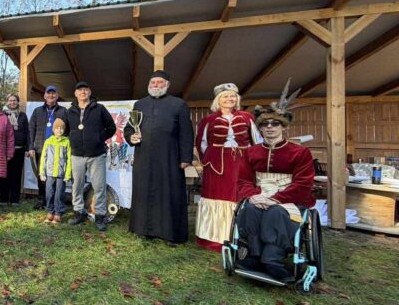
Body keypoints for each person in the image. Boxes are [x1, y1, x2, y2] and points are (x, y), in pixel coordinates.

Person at [235, 82, 315, 281]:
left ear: (283, 127)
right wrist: (253, 196)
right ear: (260, 128)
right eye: (265, 124)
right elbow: (243, 179)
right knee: (250, 209)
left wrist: (276, 199)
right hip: (259, 194)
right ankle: (254, 255)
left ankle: (272, 259)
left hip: (288, 198)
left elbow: (303, 183)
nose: (269, 127)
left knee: (275, 212)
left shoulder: (300, 152)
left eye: (275, 124)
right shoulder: (251, 152)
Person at [124, 70, 194, 246]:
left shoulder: (178, 104)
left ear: (167, 85)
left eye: (160, 82)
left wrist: (185, 157)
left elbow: (186, 132)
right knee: (144, 191)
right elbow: (129, 128)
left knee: (169, 193)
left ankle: (171, 234)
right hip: (144, 157)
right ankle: (144, 229)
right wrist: (131, 137)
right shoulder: (140, 104)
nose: (156, 85)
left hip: (169, 157)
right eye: (153, 82)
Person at [194, 83, 261, 251]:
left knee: (240, 195)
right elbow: (202, 143)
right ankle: (216, 237)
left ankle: (239, 235)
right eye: (225, 96)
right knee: (217, 196)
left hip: (242, 163)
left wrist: (254, 160)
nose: (229, 99)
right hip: (217, 165)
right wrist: (208, 160)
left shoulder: (247, 117)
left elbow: (256, 140)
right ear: (218, 100)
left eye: (232, 96)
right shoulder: (209, 120)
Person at [66, 82, 116, 231]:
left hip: (96, 155)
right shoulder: (69, 111)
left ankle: (100, 216)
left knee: (99, 186)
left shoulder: (99, 109)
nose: (83, 92)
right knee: (77, 185)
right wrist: (74, 140)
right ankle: (78, 213)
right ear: (75, 94)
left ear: (89, 92)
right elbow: (65, 130)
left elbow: (111, 127)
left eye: (85, 89)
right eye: (80, 90)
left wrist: (99, 138)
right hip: (77, 155)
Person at [27, 86, 68, 210]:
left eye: (53, 93)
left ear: (57, 96)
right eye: (48, 93)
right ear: (44, 96)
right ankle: (43, 200)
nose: (51, 96)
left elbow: (68, 130)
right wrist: (31, 147)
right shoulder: (37, 111)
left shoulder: (63, 111)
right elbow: (31, 129)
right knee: (42, 175)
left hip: (58, 149)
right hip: (41, 149)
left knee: (58, 176)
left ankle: (56, 201)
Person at [39, 118, 71, 223]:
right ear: (53, 129)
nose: (59, 130)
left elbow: (69, 159)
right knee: (49, 192)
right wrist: (42, 172)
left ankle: (58, 213)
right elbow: (43, 157)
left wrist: (67, 174)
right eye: (57, 128)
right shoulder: (48, 141)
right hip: (49, 173)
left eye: (61, 128)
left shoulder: (66, 142)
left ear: (64, 130)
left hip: (61, 174)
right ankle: (50, 211)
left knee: (59, 194)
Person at [2, 94, 29, 206]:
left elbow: (27, 132)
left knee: (16, 175)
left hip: (19, 149)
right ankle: (3, 199)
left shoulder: (22, 115)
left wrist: (27, 147)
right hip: (5, 149)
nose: (12, 102)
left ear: (18, 102)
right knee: (5, 174)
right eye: (10, 100)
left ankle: (15, 199)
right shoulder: (2, 115)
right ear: (7, 102)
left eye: (14, 100)